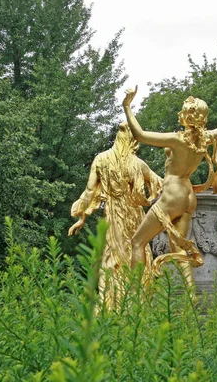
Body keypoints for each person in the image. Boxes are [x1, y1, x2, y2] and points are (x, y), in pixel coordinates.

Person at [122, 86, 217, 291]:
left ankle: (134, 298)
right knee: (179, 247)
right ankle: (190, 297)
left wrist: (127, 106)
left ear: (188, 116)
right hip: (189, 196)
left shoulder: (177, 140)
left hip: (173, 194)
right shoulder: (206, 138)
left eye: (183, 110)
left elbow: (139, 134)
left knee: (137, 242)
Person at [68, 122, 162, 310]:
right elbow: (160, 184)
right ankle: (135, 304)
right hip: (134, 215)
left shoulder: (101, 159)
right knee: (137, 254)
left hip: (113, 215)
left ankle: (109, 304)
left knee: (112, 258)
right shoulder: (138, 164)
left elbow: (88, 191)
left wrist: (81, 215)